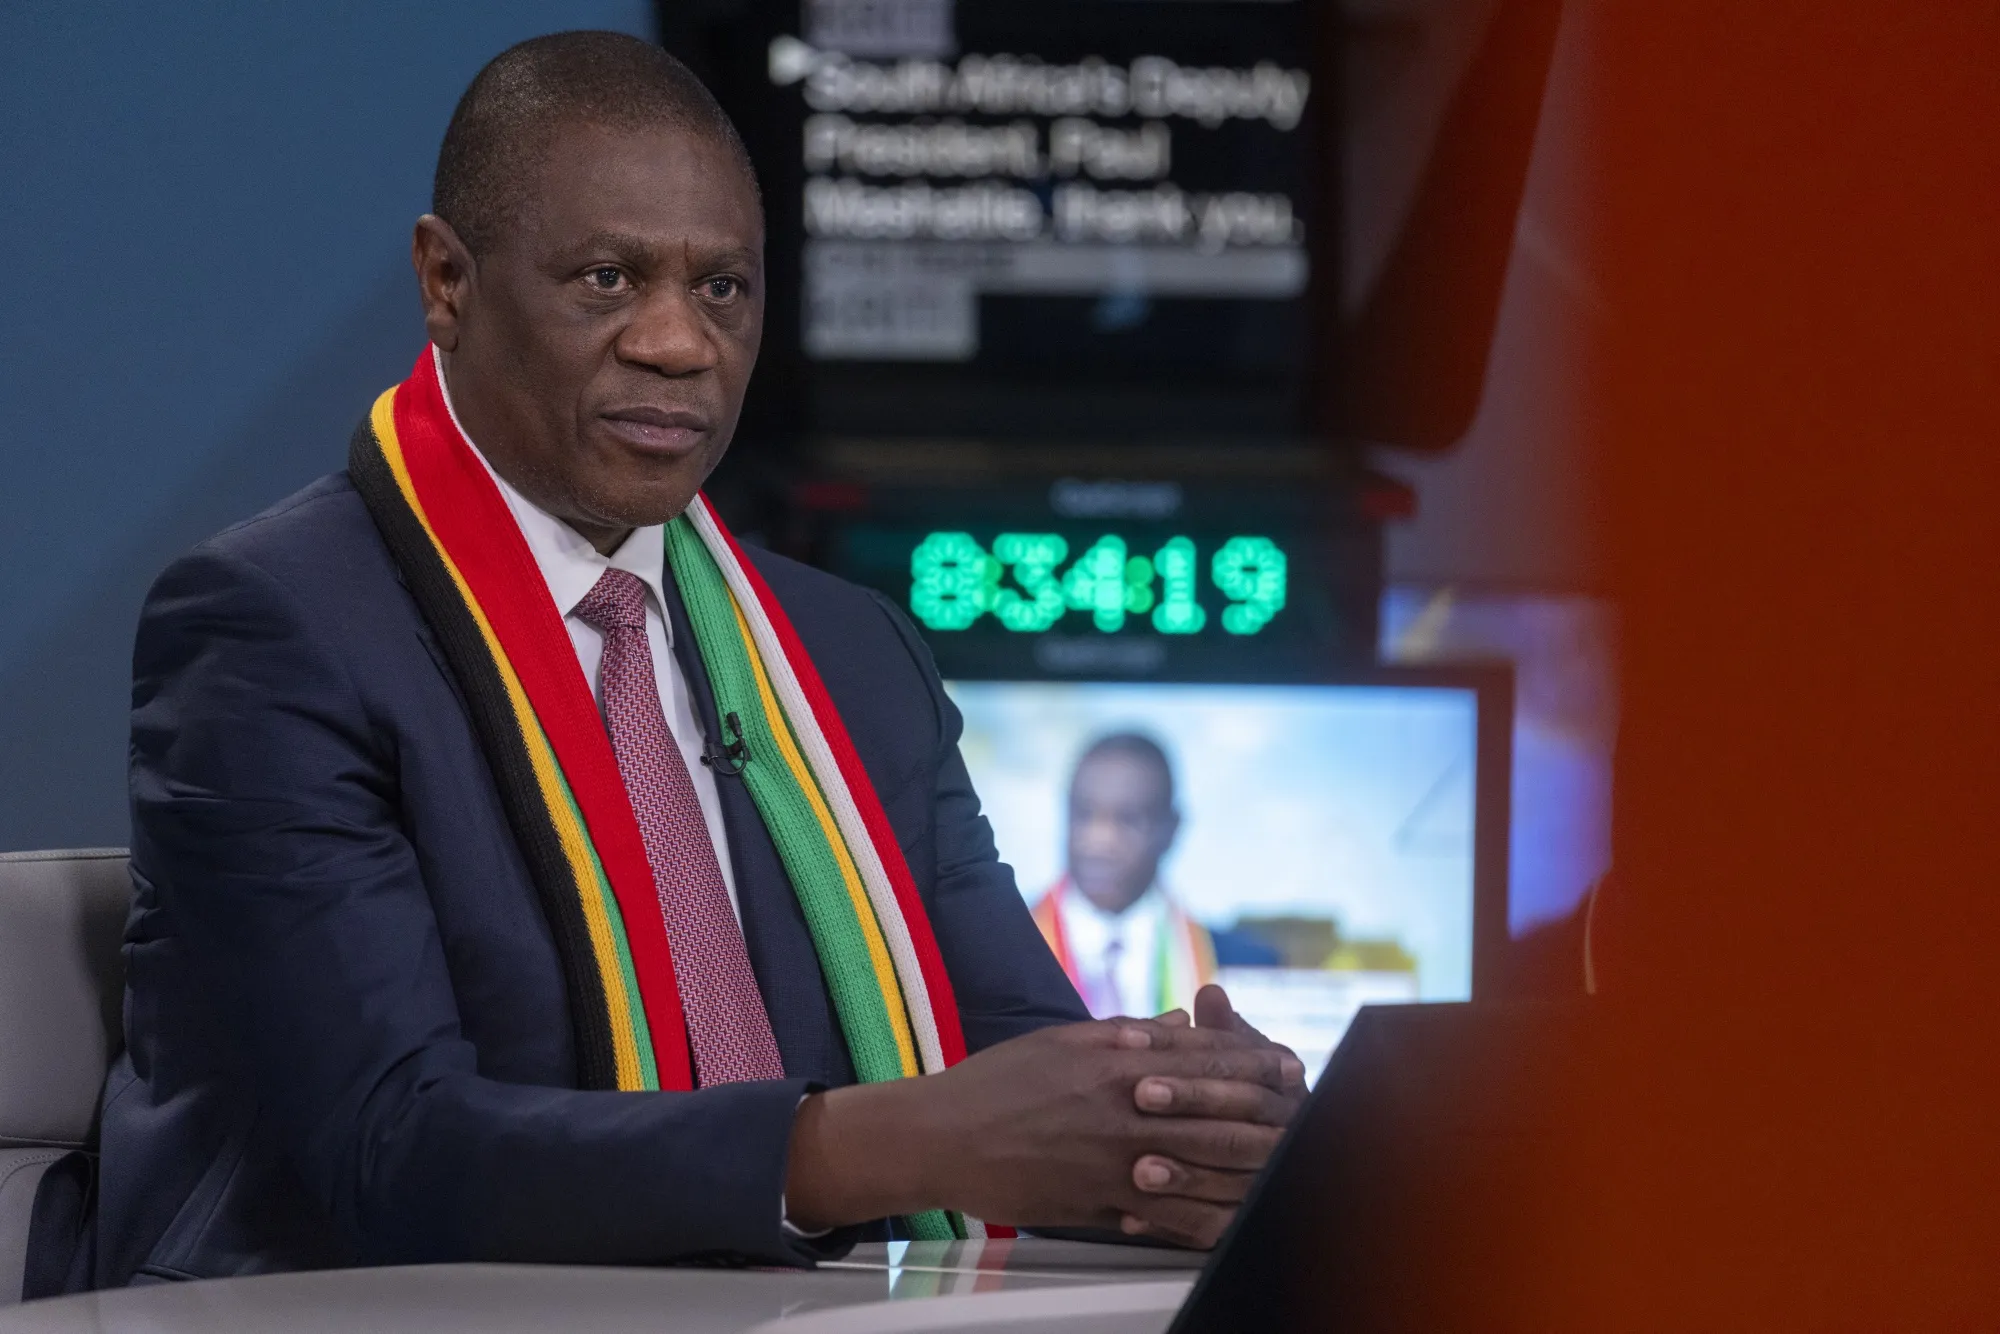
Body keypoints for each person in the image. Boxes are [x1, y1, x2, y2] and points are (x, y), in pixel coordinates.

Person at [80, 32, 1304, 1287]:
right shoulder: (274, 628)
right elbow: (388, 1149)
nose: (678, 343)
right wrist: (870, 1145)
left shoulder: (854, 655)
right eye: (607, 279)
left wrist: (1185, 1131)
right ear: (446, 280)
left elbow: (1024, 1074)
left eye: (723, 288)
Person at [1034, 734, 1279, 1019]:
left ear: (1171, 829)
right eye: (1083, 814)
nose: (1099, 840)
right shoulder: (999, 953)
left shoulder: (1246, 967)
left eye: (1128, 819)